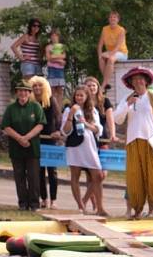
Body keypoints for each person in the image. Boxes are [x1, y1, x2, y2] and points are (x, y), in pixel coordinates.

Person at [114, 67, 153, 220]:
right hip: (133, 142)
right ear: (131, 83)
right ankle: (137, 211)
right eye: (135, 79)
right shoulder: (127, 99)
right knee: (135, 177)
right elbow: (117, 119)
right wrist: (127, 104)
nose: (138, 81)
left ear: (146, 81)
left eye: (141, 78)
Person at [61, 85, 106, 216]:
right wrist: (70, 114)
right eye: (77, 95)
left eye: (82, 95)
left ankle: (100, 208)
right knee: (75, 176)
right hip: (74, 146)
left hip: (90, 146)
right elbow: (65, 131)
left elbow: (99, 129)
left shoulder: (92, 110)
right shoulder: (69, 109)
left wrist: (86, 123)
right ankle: (81, 207)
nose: (79, 97)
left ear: (87, 97)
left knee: (98, 176)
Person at [1, 85, 45, 210]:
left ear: (29, 93)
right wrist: (20, 138)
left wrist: (26, 137)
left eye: (25, 91)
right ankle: (23, 204)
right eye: (20, 90)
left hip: (32, 147)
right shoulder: (11, 108)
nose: (23, 93)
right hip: (16, 148)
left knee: (33, 177)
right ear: (16, 92)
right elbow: (6, 126)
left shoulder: (35, 106)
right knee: (19, 176)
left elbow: (40, 124)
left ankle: (34, 204)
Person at [81, 76, 115, 212]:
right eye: (88, 86)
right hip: (88, 140)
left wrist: (113, 134)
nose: (91, 88)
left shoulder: (105, 101)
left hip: (103, 139)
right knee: (91, 175)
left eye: (94, 85)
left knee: (102, 174)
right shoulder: (83, 102)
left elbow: (110, 119)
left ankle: (83, 201)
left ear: (98, 87)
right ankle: (97, 206)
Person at [29, 76, 61, 209]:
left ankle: (53, 200)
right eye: (34, 86)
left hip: (50, 139)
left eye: (39, 85)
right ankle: (43, 199)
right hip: (36, 139)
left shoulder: (50, 100)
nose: (37, 88)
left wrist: (58, 131)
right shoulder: (30, 103)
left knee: (52, 170)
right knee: (39, 171)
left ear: (44, 86)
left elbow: (58, 117)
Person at [97, 11, 128, 89]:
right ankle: (106, 82)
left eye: (114, 17)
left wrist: (110, 54)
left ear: (118, 20)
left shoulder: (121, 30)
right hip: (110, 52)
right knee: (101, 58)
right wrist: (99, 55)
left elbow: (118, 46)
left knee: (110, 59)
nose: (112, 18)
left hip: (121, 53)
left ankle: (103, 85)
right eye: (110, 17)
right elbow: (100, 44)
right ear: (108, 19)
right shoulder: (104, 29)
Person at [45, 28, 67, 98]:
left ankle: (60, 109)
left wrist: (54, 56)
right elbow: (48, 58)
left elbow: (63, 55)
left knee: (60, 91)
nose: (53, 37)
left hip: (60, 70)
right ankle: (54, 108)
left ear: (58, 37)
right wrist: (59, 60)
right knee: (53, 91)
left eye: (55, 36)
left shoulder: (62, 46)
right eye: (52, 36)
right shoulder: (48, 47)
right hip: (52, 69)